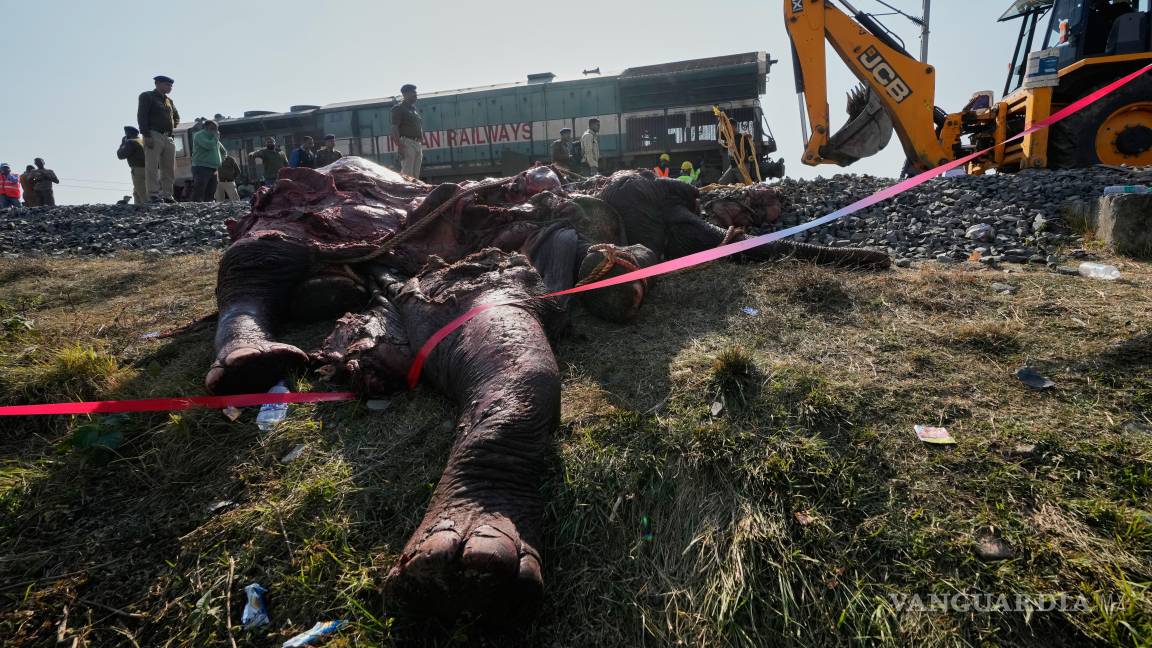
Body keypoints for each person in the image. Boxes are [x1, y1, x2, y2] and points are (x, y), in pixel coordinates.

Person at [138, 75, 180, 203]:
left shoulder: (169, 101)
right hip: (154, 134)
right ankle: (153, 194)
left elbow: (176, 117)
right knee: (152, 166)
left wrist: (171, 126)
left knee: (169, 168)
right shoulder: (147, 96)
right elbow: (142, 116)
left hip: (168, 136)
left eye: (171, 85)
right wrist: (146, 134)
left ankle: (167, 194)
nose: (170, 87)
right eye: (167, 84)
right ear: (157, 83)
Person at [391, 83, 424, 178]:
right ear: (405, 94)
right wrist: (400, 145)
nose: (415, 94)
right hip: (407, 143)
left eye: (416, 92)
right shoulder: (398, 108)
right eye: (413, 92)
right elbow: (394, 127)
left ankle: (414, 193)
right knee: (407, 174)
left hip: (417, 144)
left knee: (415, 176)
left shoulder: (414, 110)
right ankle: (406, 192)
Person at [191, 120, 228, 202]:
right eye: (212, 128)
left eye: (216, 128)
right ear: (205, 127)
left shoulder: (214, 138)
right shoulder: (199, 135)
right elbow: (208, 145)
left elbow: (224, 151)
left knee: (211, 190)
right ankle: (195, 206)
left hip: (214, 168)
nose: (215, 130)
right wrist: (216, 138)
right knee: (199, 189)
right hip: (201, 167)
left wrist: (219, 160)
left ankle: (209, 205)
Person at [117, 126, 148, 206]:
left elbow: (120, 155)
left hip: (137, 169)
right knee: (137, 192)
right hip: (148, 169)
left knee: (142, 192)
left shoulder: (130, 142)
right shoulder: (141, 141)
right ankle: (139, 210)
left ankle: (148, 210)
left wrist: (123, 143)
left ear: (127, 135)